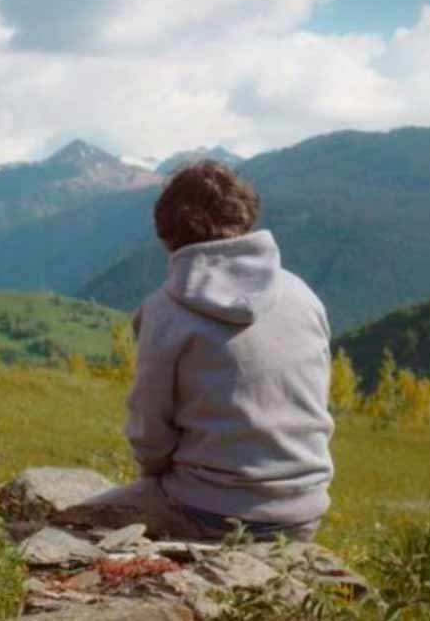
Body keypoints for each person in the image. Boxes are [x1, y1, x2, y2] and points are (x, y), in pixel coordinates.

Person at [57, 161, 334, 541]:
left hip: (208, 512)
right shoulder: (303, 296)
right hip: (304, 514)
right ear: (245, 218)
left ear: (168, 235)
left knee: (66, 528)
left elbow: (150, 435)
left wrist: (161, 480)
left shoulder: (166, 311)